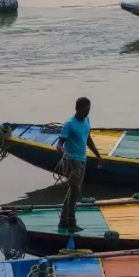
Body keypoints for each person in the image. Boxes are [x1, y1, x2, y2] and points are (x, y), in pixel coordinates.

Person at [58, 95, 103, 231]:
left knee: (73, 190)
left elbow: (88, 140)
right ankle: (71, 222)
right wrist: (64, 154)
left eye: (88, 109)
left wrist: (98, 156)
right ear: (77, 109)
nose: (87, 112)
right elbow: (59, 144)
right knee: (75, 191)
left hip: (82, 160)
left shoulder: (87, 121)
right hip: (72, 161)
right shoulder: (69, 124)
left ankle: (63, 220)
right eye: (85, 109)